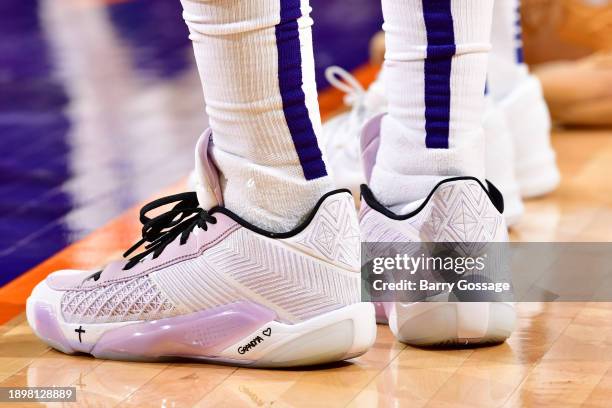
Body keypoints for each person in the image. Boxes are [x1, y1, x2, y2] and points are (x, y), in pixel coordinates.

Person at [27, 0, 515, 365]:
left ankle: (272, 221)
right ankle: (439, 197)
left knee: (274, 187)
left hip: (272, 249)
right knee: (433, 157)